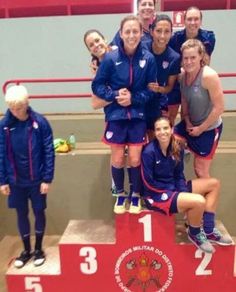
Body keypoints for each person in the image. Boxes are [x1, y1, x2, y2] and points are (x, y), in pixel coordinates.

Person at [92, 15, 157, 214]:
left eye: (135, 31)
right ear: (121, 34)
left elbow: (152, 89)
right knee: (118, 159)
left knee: (136, 159)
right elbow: (97, 85)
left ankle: (135, 194)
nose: (131, 35)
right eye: (127, 31)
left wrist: (133, 99)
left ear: (141, 33)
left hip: (137, 116)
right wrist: (113, 95)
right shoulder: (111, 58)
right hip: (116, 117)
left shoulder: (148, 58)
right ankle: (120, 194)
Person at [141, 117, 232, 253]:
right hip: (157, 195)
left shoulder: (177, 147)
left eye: (165, 128)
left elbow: (179, 175)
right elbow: (148, 183)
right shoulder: (149, 152)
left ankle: (208, 230)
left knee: (214, 184)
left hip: (175, 189)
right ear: (154, 132)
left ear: (171, 129)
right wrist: (177, 194)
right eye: (158, 129)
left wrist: (182, 191)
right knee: (198, 201)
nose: (162, 132)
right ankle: (194, 233)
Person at [0, 85, 55, 268]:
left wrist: (47, 178)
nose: (15, 112)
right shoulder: (5, 126)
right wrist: (2, 181)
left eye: (19, 108)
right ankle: (26, 250)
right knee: (21, 213)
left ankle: (38, 249)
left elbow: (48, 151)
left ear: (26, 104)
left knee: (39, 211)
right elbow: (1, 153)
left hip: (37, 181)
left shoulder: (40, 123)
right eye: (12, 109)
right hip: (16, 182)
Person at [174, 39, 224, 178]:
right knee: (170, 143)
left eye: (193, 58)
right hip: (191, 124)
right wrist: (187, 120)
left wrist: (201, 128)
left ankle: (208, 198)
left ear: (201, 57)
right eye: (186, 58)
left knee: (200, 170)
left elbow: (219, 108)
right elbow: (184, 100)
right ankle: (179, 183)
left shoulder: (209, 76)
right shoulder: (183, 75)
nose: (189, 61)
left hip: (209, 128)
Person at [144, 14, 181, 134]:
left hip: (157, 103)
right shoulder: (141, 48)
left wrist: (159, 89)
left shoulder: (174, 58)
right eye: (158, 31)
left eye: (167, 32)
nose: (162, 36)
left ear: (171, 33)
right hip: (138, 100)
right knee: (138, 141)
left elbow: (169, 87)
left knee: (156, 139)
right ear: (151, 31)